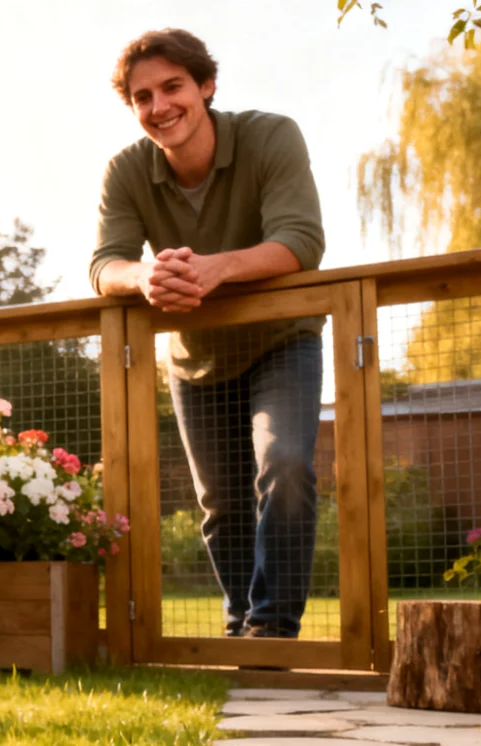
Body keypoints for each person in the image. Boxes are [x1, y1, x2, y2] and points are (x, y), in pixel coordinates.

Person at [89, 28, 326, 639]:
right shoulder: (125, 171)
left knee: (287, 465)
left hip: (282, 341)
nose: (159, 106)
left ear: (207, 85)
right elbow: (103, 265)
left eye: (173, 87)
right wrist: (144, 276)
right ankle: (240, 626)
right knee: (221, 506)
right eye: (143, 97)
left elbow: (301, 241)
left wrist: (212, 269)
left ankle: (273, 632)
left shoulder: (271, 135)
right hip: (194, 358)